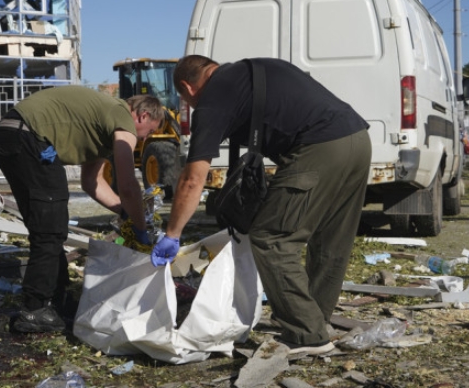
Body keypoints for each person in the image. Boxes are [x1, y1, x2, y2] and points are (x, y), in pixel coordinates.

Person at [150, 55, 371, 355]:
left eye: (185, 99)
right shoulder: (254, 70)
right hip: (357, 139)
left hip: (319, 147)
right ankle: (315, 321)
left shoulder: (212, 97)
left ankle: (308, 334)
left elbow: (193, 178)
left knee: (272, 238)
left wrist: (173, 233)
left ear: (188, 88)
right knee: (330, 239)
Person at [0, 86, 164, 333]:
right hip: (29, 136)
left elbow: (92, 183)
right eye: (149, 132)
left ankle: (56, 300)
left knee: (47, 227)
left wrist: (123, 211)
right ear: (143, 116)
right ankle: (34, 309)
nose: (144, 139)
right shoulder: (121, 115)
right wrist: (139, 229)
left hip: (9, 134)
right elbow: (128, 185)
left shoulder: (104, 124)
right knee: (50, 229)